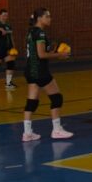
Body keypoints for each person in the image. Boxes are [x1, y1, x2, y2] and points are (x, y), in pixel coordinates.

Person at [21, 8, 72, 142]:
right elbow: (41, 55)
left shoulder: (31, 32)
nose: (50, 19)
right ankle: (57, 130)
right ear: (39, 18)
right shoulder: (40, 33)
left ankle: (27, 133)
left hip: (30, 70)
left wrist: (53, 51)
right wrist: (60, 54)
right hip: (40, 71)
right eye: (47, 16)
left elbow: (37, 52)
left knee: (32, 102)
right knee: (57, 98)